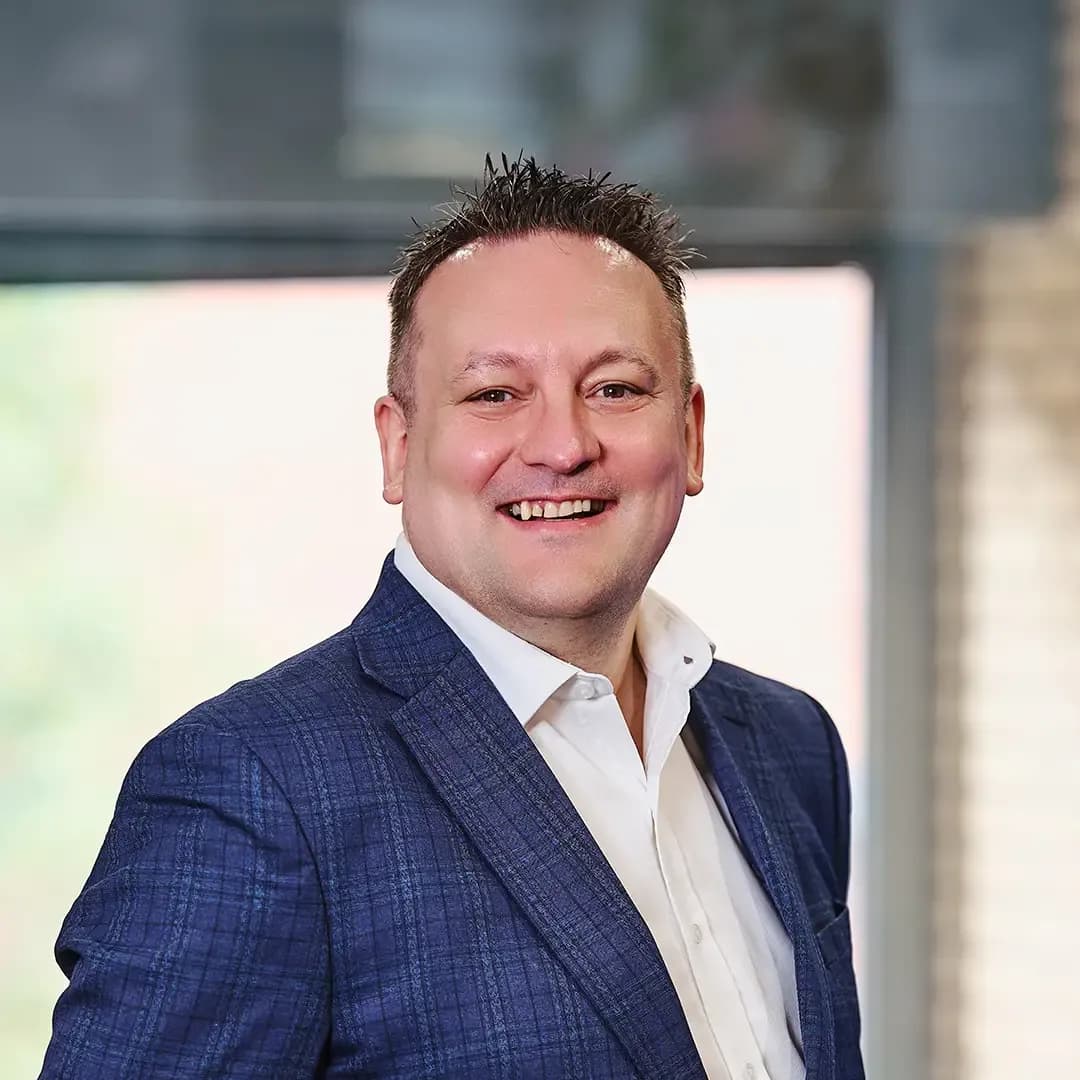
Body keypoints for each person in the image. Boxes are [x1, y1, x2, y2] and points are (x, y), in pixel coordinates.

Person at [40, 156, 863, 1080]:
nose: (562, 445)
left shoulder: (790, 747)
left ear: (692, 433)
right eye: (495, 395)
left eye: (617, 389)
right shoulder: (253, 789)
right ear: (398, 446)